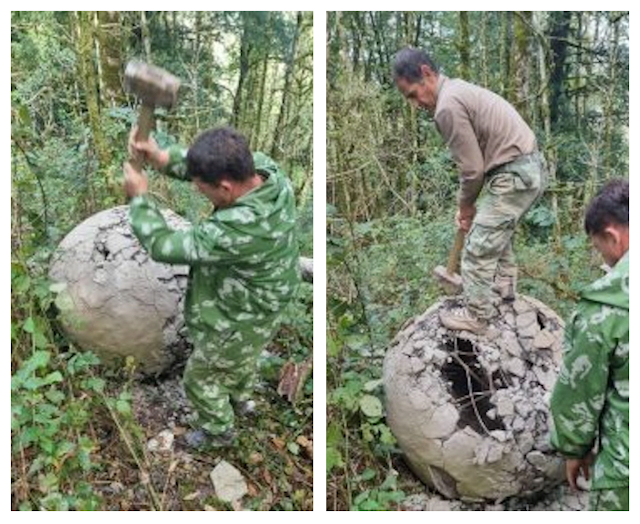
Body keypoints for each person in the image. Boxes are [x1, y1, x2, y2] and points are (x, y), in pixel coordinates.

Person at [123, 126, 300, 448]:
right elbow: (201, 166)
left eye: (202, 189)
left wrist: (138, 198)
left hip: (247, 310)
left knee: (203, 375)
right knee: (242, 353)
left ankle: (218, 431)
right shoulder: (268, 172)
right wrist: (160, 156)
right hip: (270, 297)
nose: (197, 189)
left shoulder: (237, 228)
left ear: (226, 188)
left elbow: (164, 245)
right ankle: (240, 398)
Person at [392, 47, 548, 334]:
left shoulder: (447, 106)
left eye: (413, 94)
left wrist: (465, 207)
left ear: (426, 73)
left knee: (477, 246)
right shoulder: (458, 90)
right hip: (527, 170)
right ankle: (504, 289)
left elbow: (472, 169)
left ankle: (479, 317)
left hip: (514, 173)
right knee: (495, 230)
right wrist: (470, 205)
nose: (415, 104)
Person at [550, 179, 629, 511]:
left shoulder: (606, 309)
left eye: (599, 248)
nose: (605, 259)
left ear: (612, 236)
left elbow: (579, 391)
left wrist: (574, 449)